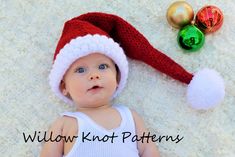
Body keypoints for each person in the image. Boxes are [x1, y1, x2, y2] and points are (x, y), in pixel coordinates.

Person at [40, 12, 224, 157]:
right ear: (64, 86)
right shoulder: (63, 125)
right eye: (80, 70)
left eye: (103, 66)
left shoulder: (129, 117)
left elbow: (148, 151)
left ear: (117, 78)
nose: (94, 75)